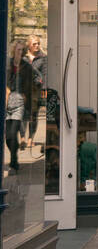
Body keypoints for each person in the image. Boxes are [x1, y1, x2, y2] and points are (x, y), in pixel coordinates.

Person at [6, 38, 33, 173]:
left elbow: (29, 88)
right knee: (8, 138)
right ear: (14, 50)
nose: (20, 52)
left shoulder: (26, 66)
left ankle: (13, 163)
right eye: (18, 49)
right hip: (6, 101)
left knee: (13, 131)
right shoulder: (8, 64)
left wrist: (29, 108)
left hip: (19, 102)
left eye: (23, 50)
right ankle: (14, 157)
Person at [23, 33, 45, 147]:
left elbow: (44, 74)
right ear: (29, 45)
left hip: (36, 90)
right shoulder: (24, 57)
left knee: (33, 115)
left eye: (38, 43)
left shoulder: (42, 58)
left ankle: (31, 138)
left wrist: (43, 89)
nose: (37, 46)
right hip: (23, 90)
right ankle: (22, 137)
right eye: (34, 44)